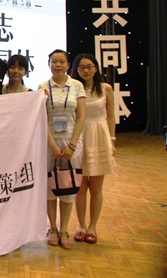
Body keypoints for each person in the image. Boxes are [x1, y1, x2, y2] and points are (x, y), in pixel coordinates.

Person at [38, 49, 86, 250]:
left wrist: (72, 145)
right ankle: (53, 229)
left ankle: (65, 229)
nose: (57, 65)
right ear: (49, 64)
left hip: (72, 142)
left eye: (61, 62)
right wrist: (52, 144)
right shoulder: (43, 87)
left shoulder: (77, 86)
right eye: (54, 62)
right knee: (50, 188)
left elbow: (81, 116)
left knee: (68, 185)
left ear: (68, 64)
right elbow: (41, 117)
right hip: (49, 143)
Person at [71, 53, 116, 245]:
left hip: (99, 136)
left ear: (96, 68)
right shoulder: (73, 88)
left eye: (89, 66)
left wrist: (112, 139)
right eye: (81, 67)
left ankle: (93, 227)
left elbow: (111, 115)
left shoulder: (106, 88)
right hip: (80, 136)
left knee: (96, 189)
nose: (86, 70)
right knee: (80, 188)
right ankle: (81, 226)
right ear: (76, 70)